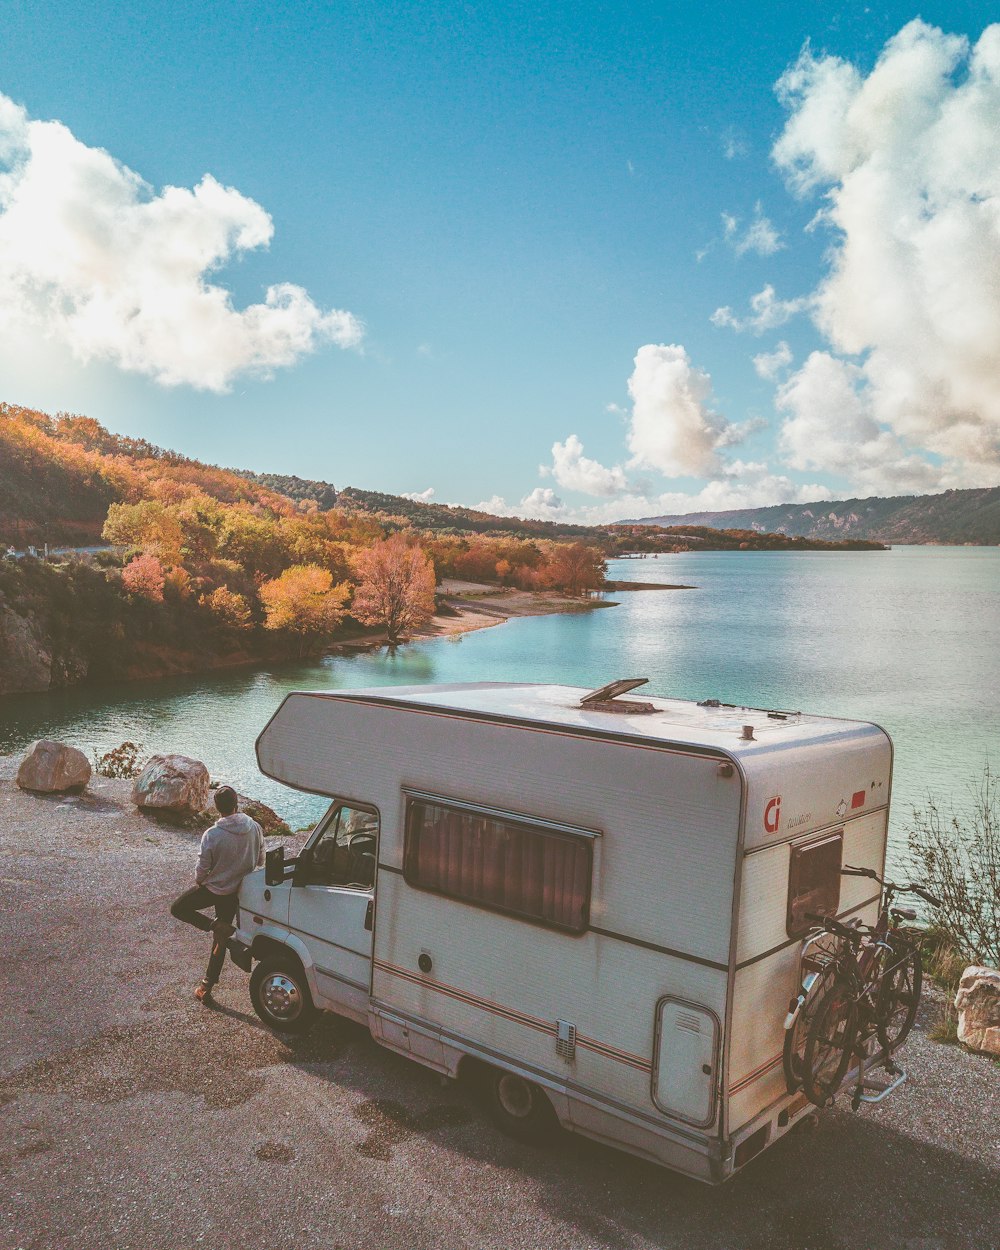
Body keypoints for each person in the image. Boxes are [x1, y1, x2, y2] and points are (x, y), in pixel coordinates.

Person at [170, 785, 264, 1003]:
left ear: (217, 807)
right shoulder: (255, 827)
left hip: (216, 890)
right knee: (220, 939)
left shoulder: (212, 834)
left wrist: (201, 881)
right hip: (238, 892)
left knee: (178, 908)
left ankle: (214, 926)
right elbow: (260, 860)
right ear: (236, 804)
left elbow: (201, 870)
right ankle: (206, 986)